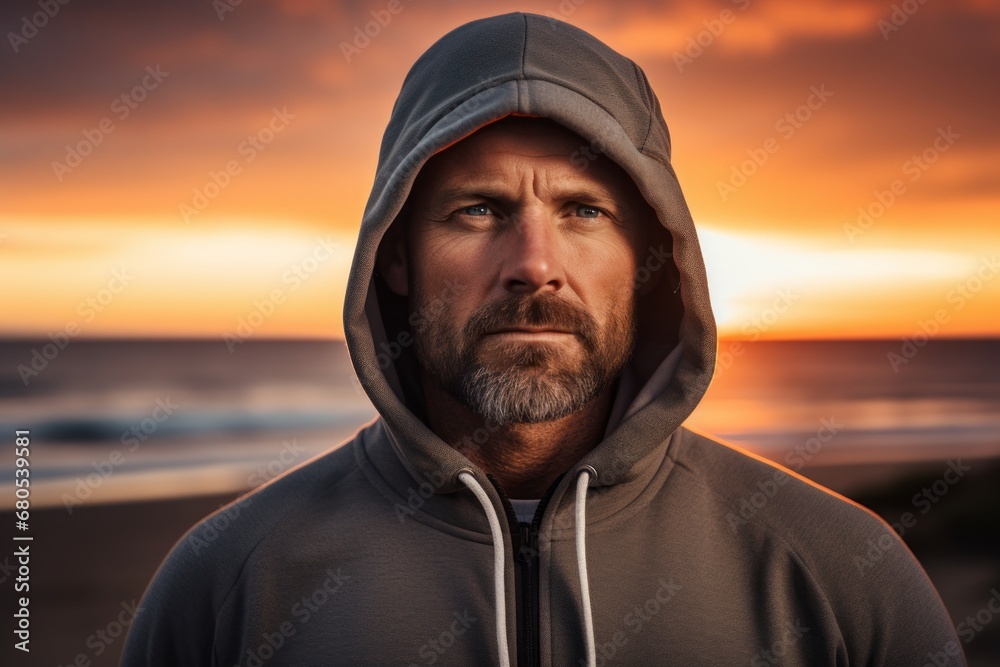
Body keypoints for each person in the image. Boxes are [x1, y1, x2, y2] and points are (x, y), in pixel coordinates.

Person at [121, 12, 965, 666]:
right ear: (396, 260)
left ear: (651, 259)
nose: (533, 265)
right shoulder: (229, 583)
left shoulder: (839, 573)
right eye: (478, 209)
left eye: (584, 212)